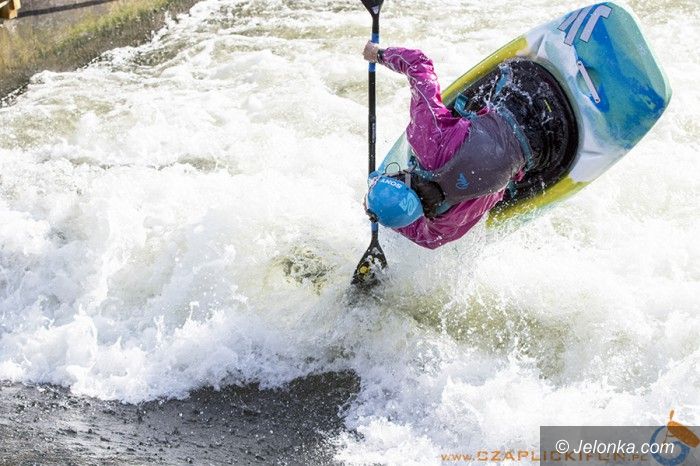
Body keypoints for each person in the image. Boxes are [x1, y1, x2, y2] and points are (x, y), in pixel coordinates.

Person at [361, 41, 531, 250]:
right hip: (524, 96)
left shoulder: (444, 224)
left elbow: (428, 240)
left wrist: (385, 218)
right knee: (465, 118)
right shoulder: (427, 142)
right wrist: (379, 54)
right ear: (402, 177)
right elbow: (418, 63)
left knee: (498, 185)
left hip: (543, 149)